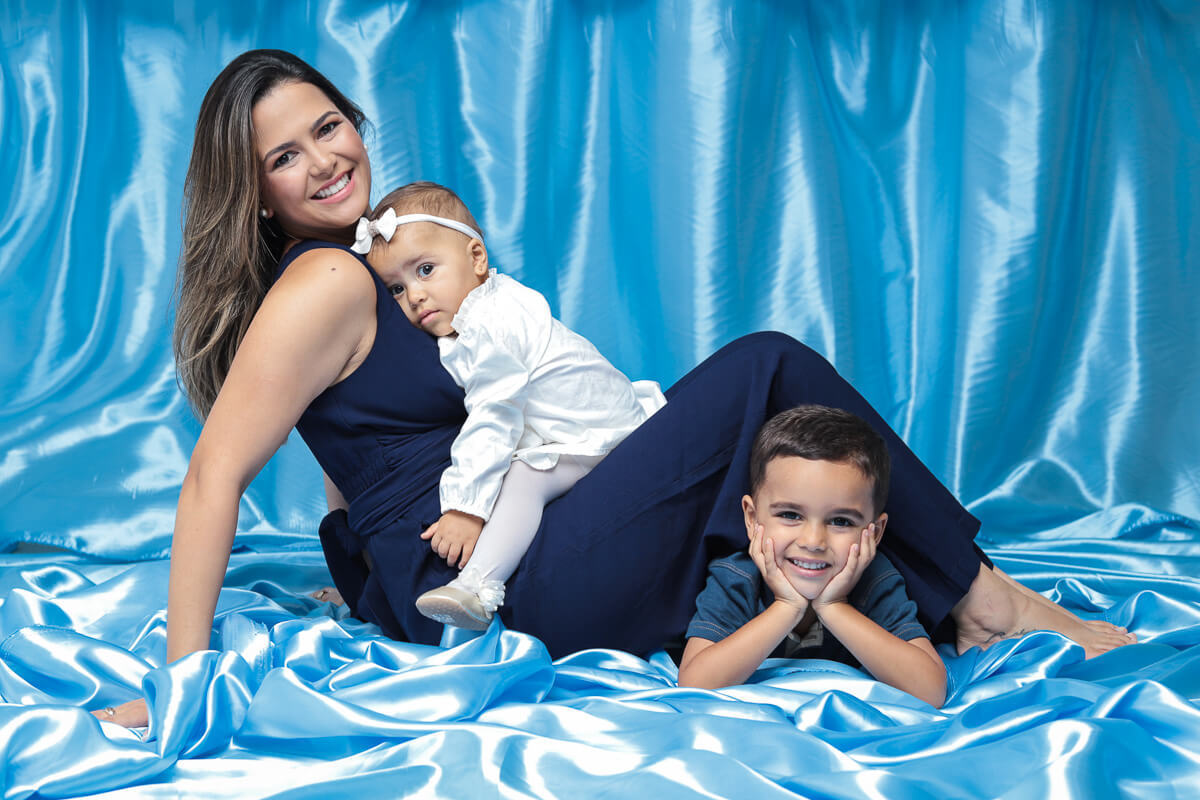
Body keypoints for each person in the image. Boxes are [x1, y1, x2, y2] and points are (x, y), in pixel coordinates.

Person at [94, 49, 1133, 729]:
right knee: (765, 364)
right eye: (287, 154)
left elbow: (357, 460)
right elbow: (212, 478)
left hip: (488, 557)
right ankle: (990, 600)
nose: (326, 159)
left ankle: (914, 597)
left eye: (329, 125)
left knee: (702, 429)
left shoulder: (367, 265)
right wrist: (183, 686)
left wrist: (367, 579)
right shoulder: (323, 280)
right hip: (511, 578)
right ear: (257, 192)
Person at [353, 181, 665, 629]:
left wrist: (465, 507)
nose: (415, 295)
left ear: (476, 258)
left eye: (424, 270)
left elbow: (494, 413)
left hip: (600, 434)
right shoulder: (465, 318)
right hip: (575, 425)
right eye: (397, 290)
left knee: (522, 478)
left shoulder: (491, 320)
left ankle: (479, 587)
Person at [677, 406, 946, 708]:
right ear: (752, 519)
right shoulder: (737, 578)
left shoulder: (875, 579)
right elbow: (695, 685)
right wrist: (786, 606)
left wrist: (833, 606)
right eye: (791, 515)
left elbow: (930, 691)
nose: (813, 542)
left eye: (841, 521)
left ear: (876, 531)